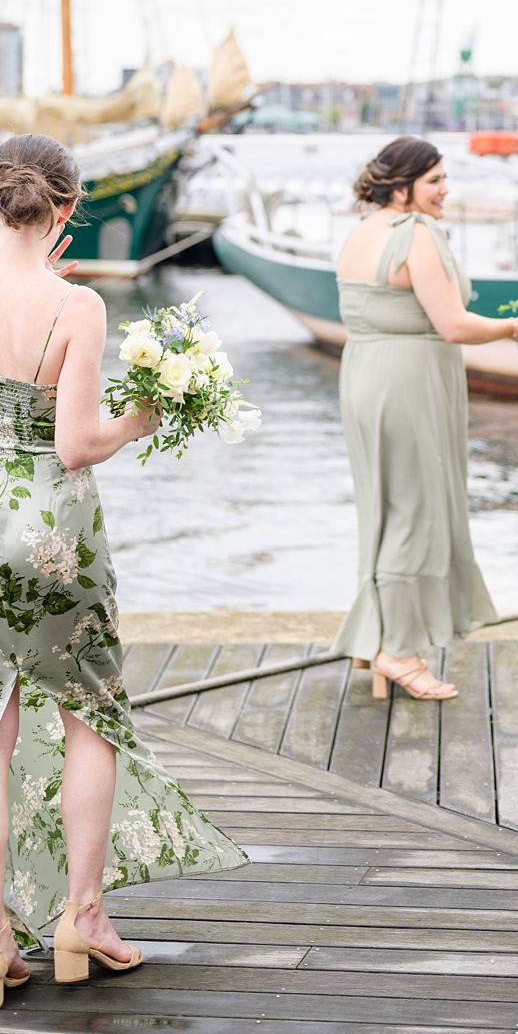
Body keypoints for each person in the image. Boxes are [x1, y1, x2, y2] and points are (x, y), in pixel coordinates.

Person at [0, 135, 246, 985]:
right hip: (53, 538)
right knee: (87, 719)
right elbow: (73, 445)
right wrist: (139, 421)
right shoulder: (78, 308)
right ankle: (83, 918)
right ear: (65, 209)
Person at [332, 137, 518, 700]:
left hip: (366, 372)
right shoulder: (414, 234)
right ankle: (397, 649)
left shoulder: (360, 232)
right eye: (435, 181)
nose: (446, 191)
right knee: (414, 512)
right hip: (409, 379)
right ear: (402, 186)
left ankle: (376, 639)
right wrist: (516, 328)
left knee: (385, 507)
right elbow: (454, 325)